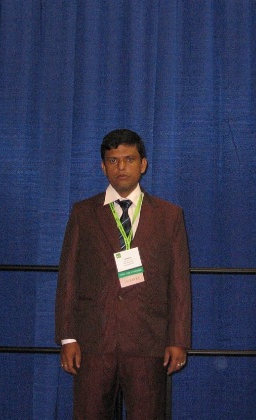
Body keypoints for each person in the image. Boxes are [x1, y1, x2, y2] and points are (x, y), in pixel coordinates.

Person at [55, 128, 192, 419]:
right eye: (113, 160)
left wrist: (178, 339)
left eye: (129, 159)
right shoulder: (83, 213)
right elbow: (68, 278)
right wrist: (67, 338)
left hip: (148, 342)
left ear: (143, 164)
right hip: (93, 342)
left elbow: (179, 283)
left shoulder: (169, 216)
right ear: (103, 167)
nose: (121, 167)